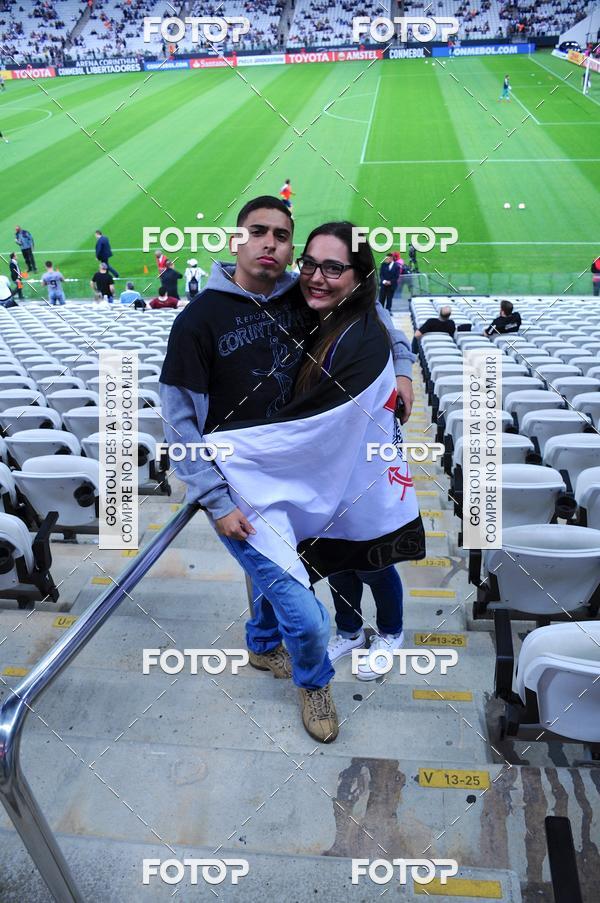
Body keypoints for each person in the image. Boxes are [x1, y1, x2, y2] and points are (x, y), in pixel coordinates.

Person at [159, 196, 416, 744]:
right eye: (258, 231)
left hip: (295, 476)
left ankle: (258, 644)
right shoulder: (197, 320)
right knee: (307, 614)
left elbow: (370, 312)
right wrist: (217, 501)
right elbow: (178, 424)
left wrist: (403, 368)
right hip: (236, 490)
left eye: (281, 235)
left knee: (270, 573)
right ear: (238, 239)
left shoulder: (298, 298)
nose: (270, 242)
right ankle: (314, 682)